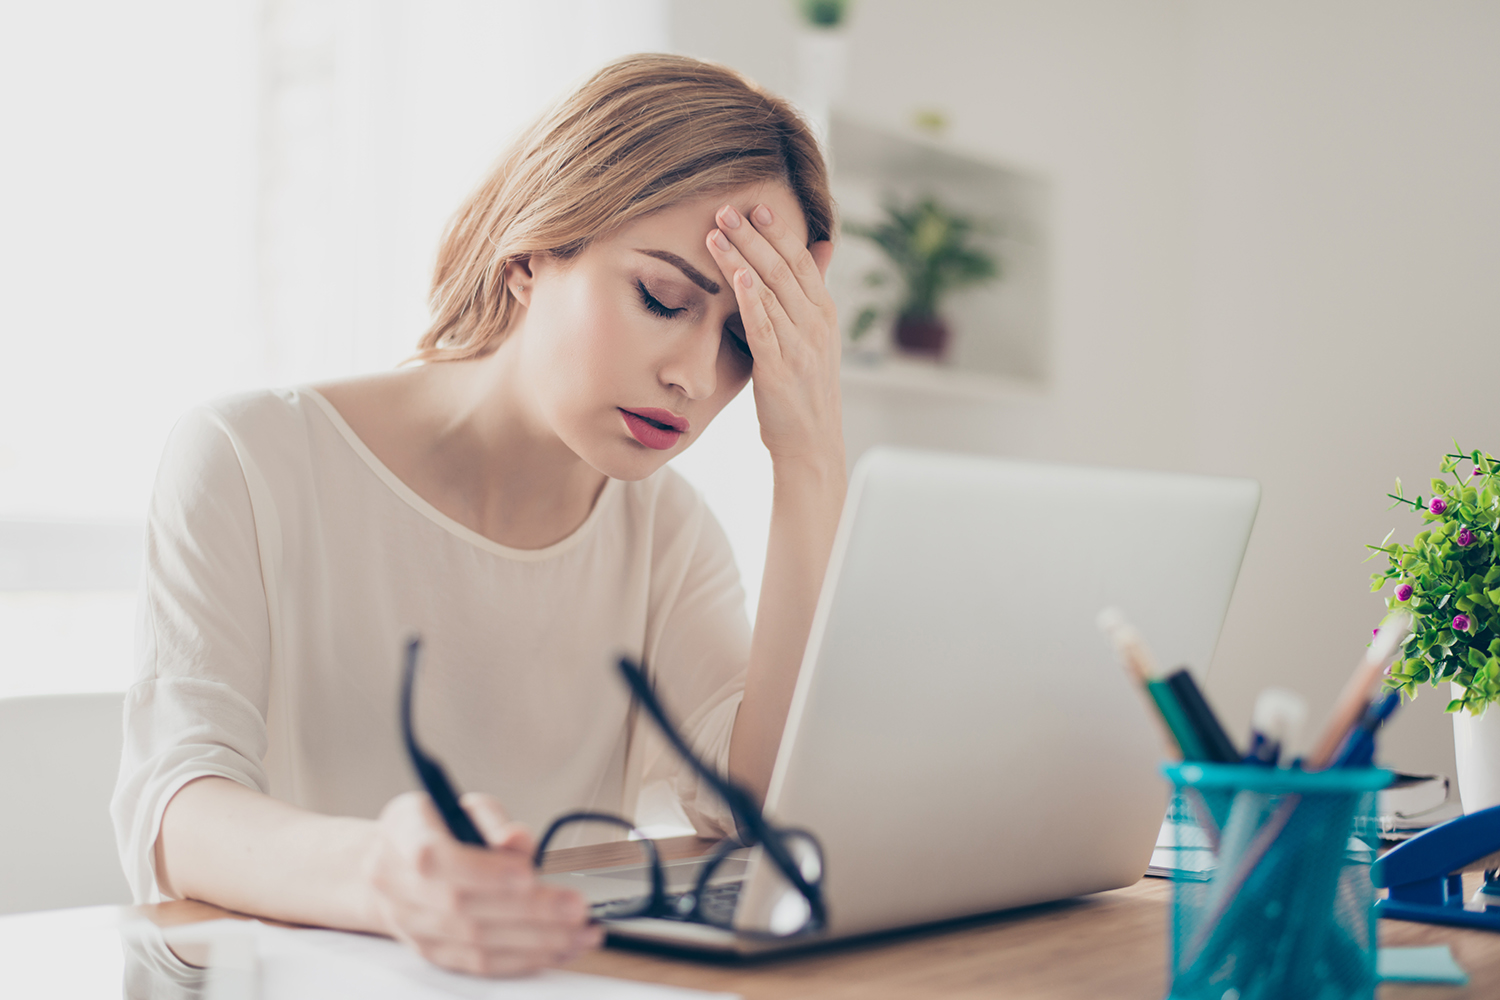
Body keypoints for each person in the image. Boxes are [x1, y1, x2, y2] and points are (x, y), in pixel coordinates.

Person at [110, 53, 843, 977]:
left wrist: (809, 457)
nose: (697, 378)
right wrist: (384, 875)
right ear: (535, 250)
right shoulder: (251, 456)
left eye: (742, 339)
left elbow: (765, 811)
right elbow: (176, 806)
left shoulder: (665, 529)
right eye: (662, 298)